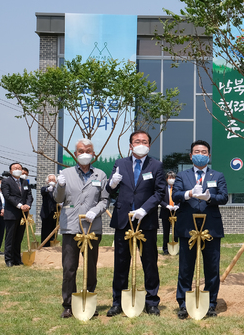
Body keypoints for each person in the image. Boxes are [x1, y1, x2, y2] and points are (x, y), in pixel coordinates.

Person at [106, 130, 166, 317]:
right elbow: (110, 190)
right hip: (124, 219)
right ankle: (118, 301)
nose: (141, 143)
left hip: (145, 220)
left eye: (145, 141)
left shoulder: (156, 165)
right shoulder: (120, 164)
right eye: (137, 141)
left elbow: (160, 192)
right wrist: (112, 183)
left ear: (149, 145)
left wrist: (144, 209)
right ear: (130, 145)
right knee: (121, 262)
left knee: (149, 262)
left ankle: (151, 301)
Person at [173, 140, 228, 319]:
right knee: (186, 267)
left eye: (204, 152)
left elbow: (224, 197)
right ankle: (183, 302)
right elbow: (175, 195)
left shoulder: (217, 175)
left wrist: (208, 197)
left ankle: (211, 303)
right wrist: (189, 194)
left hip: (210, 227)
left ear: (209, 155)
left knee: (211, 267)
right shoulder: (182, 176)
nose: (200, 154)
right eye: (197, 151)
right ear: (191, 155)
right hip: (187, 226)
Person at [54, 138, 109, 319]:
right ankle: (69, 304)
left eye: (88, 151)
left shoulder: (100, 174)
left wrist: (95, 210)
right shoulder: (67, 173)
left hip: (92, 227)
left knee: (90, 267)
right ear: (75, 154)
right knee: (69, 267)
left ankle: (88, 299)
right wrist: (60, 186)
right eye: (80, 151)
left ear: (93, 154)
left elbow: (105, 200)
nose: (84, 154)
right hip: (71, 227)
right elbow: (58, 199)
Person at [1, 162, 33, 267]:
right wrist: (19, 205)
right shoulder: (6, 181)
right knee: (10, 238)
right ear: (11, 171)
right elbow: (7, 196)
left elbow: (29, 195)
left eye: (19, 168)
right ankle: (9, 259)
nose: (18, 169)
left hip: (23, 215)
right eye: (15, 168)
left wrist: (27, 205)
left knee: (19, 238)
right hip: (11, 213)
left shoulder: (25, 182)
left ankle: (17, 259)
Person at [159, 171, 179, 255]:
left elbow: (182, 198)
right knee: (166, 232)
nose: (171, 179)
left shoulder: (178, 188)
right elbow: (159, 199)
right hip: (165, 212)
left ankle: (176, 249)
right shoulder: (163, 188)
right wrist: (166, 205)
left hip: (176, 212)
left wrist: (178, 205)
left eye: (173, 178)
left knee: (176, 231)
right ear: (166, 179)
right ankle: (165, 249)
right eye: (170, 178)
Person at [40, 174, 59, 244]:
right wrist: (48, 189)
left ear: (56, 182)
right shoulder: (44, 189)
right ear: (47, 181)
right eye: (50, 180)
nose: (52, 181)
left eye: (53, 180)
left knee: (53, 231)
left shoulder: (58, 190)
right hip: (46, 213)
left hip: (55, 214)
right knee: (45, 231)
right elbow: (43, 191)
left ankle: (52, 245)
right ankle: (44, 246)